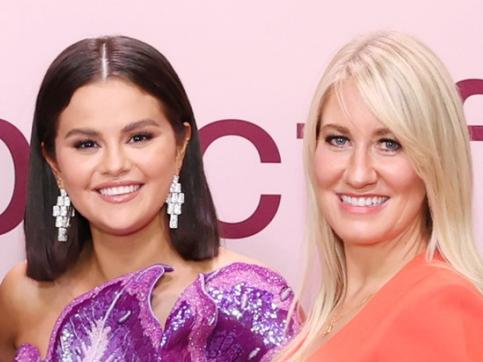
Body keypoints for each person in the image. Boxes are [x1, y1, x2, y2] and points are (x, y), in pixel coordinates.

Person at [0, 35, 300, 361]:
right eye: (87, 144)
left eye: (139, 137)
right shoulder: (22, 295)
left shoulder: (250, 299)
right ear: (53, 160)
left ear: (181, 144)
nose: (115, 165)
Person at [278, 31, 483, 361]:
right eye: (338, 140)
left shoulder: (442, 307)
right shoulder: (335, 309)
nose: (359, 174)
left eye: (389, 144)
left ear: (435, 161)